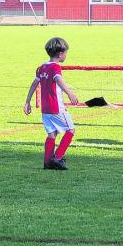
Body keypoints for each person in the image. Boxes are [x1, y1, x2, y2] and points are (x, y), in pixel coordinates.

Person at [24, 37, 79, 170]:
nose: (66, 55)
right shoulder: (55, 67)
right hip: (56, 107)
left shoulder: (42, 67)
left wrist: (27, 101)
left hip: (46, 109)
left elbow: (34, 83)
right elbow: (58, 80)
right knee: (71, 130)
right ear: (60, 54)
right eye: (66, 53)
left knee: (51, 134)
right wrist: (70, 93)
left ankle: (47, 162)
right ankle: (58, 157)